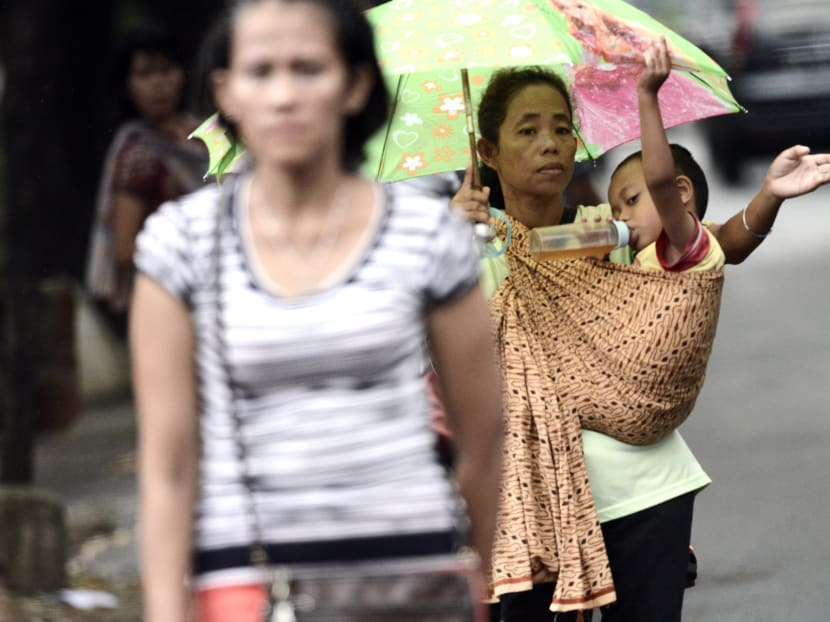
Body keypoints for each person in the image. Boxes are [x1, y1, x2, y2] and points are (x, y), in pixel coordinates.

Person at [129, 2, 503, 622]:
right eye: (260, 71)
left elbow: (483, 439)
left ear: (355, 84)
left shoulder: (428, 236)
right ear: (226, 91)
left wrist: (483, 581)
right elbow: (167, 466)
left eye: (308, 68)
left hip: (414, 579)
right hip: (248, 582)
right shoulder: (180, 245)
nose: (283, 95)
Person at [451, 64, 830, 622]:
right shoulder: (460, 248)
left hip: (645, 492)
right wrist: (446, 240)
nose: (551, 144)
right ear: (488, 148)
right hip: (528, 507)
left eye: (561, 127)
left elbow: (708, 244)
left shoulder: (610, 226)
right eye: (528, 130)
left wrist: (768, 198)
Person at [85, 26, 209, 336]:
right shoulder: (138, 155)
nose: (158, 84)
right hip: (173, 301)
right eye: (144, 75)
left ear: (183, 74)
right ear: (127, 86)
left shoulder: (206, 137)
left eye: (166, 71)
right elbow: (125, 250)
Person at [608, 37, 724, 274]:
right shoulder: (636, 258)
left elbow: (661, 184)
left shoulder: (684, 244)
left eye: (631, 200)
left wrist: (647, 94)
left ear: (680, 192)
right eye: (616, 211)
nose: (623, 219)